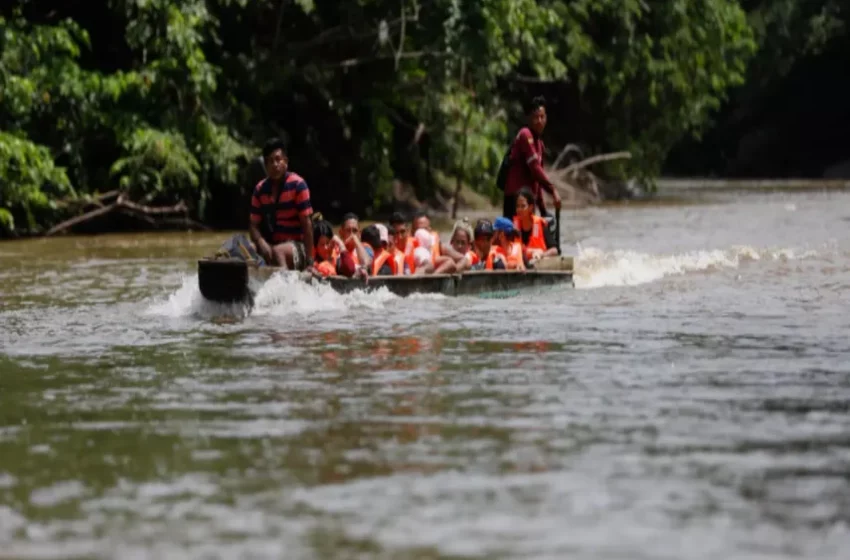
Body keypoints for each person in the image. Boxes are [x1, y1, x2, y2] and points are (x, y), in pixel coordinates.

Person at [248, 138, 314, 270]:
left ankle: (284, 288)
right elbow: (253, 226)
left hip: (297, 247)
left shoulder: (298, 185)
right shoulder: (260, 190)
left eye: (278, 159)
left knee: (278, 251)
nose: (275, 164)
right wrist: (261, 242)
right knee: (245, 249)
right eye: (270, 161)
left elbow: (307, 225)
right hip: (271, 244)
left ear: (286, 162)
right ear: (266, 165)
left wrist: (309, 261)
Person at [503, 96, 562, 219]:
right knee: (514, 237)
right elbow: (535, 169)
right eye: (536, 117)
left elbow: (537, 181)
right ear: (529, 118)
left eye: (542, 117)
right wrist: (553, 190)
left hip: (528, 202)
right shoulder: (525, 135)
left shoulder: (540, 144)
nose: (539, 121)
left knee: (534, 235)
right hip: (515, 200)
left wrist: (543, 209)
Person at [513, 188, 559, 267]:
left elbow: (555, 250)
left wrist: (542, 255)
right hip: (519, 265)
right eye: (517, 206)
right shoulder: (513, 228)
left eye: (523, 206)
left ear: (530, 208)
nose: (519, 209)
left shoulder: (540, 225)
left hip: (538, 264)